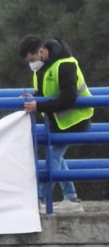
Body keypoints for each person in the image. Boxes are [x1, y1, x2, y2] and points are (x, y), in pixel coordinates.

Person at [19, 35, 93, 214]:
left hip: (75, 120)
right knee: (57, 158)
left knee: (53, 156)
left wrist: (39, 105)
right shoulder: (43, 66)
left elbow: (69, 98)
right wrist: (35, 98)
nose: (31, 64)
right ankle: (71, 198)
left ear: (42, 51)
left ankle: (40, 199)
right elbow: (46, 91)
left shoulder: (65, 64)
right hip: (59, 121)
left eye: (32, 59)